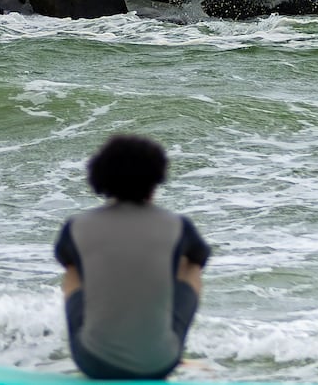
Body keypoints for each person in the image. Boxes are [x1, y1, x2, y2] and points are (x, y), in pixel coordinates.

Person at [55, 134, 210, 380]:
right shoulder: (177, 226)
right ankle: (164, 343)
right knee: (189, 264)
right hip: (159, 364)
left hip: (94, 364)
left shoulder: (77, 226)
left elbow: (66, 259)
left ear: (101, 175)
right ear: (156, 176)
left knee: (75, 267)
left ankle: (102, 338)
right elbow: (201, 257)